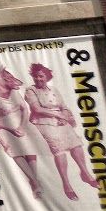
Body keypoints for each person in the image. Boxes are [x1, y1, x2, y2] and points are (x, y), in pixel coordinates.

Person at [26, 62, 100, 201]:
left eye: (41, 76)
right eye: (36, 77)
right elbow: (37, 109)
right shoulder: (31, 90)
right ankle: (67, 184)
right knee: (59, 150)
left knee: (76, 145)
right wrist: (58, 115)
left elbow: (63, 107)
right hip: (43, 122)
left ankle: (85, 174)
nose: (38, 79)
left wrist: (65, 116)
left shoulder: (54, 90)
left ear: (47, 77)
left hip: (60, 120)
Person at [0, 66, 45, 199]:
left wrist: (22, 125)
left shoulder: (14, 92)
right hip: (5, 126)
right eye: (9, 79)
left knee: (30, 148)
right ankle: (35, 182)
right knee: (16, 150)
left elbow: (25, 109)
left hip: (21, 122)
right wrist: (12, 129)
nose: (14, 82)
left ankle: (34, 180)